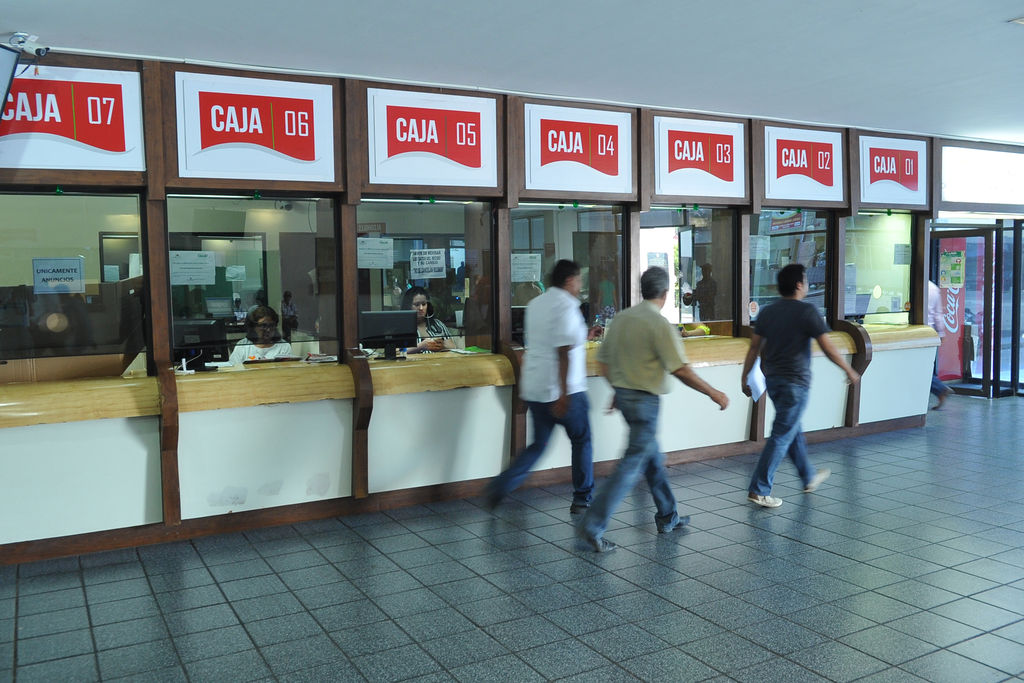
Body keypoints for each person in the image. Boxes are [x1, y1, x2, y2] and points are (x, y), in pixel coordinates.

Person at [578, 267, 729, 552]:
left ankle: (668, 516)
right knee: (631, 466)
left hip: (626, 399)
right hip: (645, 403)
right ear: (665, 293)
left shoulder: (622, 319)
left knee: (652, 459)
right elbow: (680, 369)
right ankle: (593, 525)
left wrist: (617, 389)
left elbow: (604, 362)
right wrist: (714, 393)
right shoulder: (659, 324)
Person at [740, 263, 860, 508]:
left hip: (773, 381)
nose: (807, 285)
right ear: (798, 285)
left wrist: (745, 377)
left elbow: (754, 348)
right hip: (795, 383)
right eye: (805, 281)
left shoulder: (768, 312)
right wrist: (849, 369)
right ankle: (759, 489)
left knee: (791, 428)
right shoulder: (807, 312)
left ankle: (808, 476)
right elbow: (827, 347)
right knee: (782, 433)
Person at [485, 260, 599, 514]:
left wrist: (586, 334)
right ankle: (582, 498)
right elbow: (563, 352)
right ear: (569, 280)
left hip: (535, 388)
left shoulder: (536, 304)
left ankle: (501, 485)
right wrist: (564, 395)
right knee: (582, 440)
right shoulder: (567, 306)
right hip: (566, 390)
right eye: (578, 280)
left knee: (538, 445)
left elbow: (551, 339)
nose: (580, 286)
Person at [229, 305, 293, 365]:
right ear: (253, 327)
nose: (268, 329)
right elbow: (234, 368)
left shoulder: (283, 346)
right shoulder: (243, 346)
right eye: (263, 325)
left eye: (271, 325)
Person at [402, 286, 455, 353]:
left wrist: (442, 346)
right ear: (408, 306)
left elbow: (453, 347)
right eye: (417, 305)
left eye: (424, 304)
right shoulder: (402, 326)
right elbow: (396, 351)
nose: (421, 308)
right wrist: (421, 346)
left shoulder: (437, 324)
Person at [927, 280, 953, 409]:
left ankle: (940, 388)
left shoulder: (915, 287)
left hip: (920, 332)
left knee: (921, 368)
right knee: (926, 366)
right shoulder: (934, 288)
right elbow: (938, 314)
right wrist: (941, 333)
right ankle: (940, 390)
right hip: (930, 333)